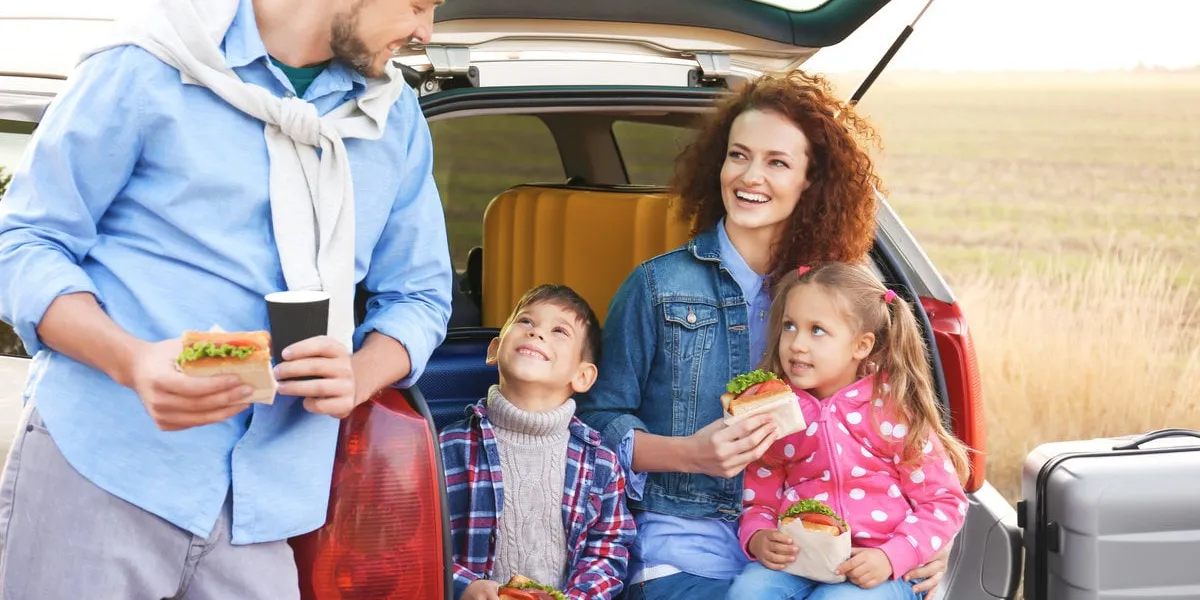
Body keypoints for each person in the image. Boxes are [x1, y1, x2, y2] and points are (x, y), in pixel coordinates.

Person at [0, 0, 452, 598]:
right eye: (419, 5)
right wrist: (130, 361)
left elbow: (420, 296)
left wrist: (361, 372)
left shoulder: (392, 119)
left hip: (266, 512)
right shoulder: (146, 64)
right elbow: (24, 242)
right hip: (106, 467)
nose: (425, 31)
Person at [576, 69, 952, 600]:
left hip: (820, 555)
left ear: (810, 181)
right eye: (738, 155)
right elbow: (594, 425)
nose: (751, 176)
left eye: (777, 162)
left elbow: (901, 439)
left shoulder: (843, 297)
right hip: (686, 544)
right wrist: (691, 454)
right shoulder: (657, 287)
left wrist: (921, 547)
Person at [728, 263, 970, 599]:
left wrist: (893, 555)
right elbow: (759, 494)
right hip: (801, 558)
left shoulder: (892, 410)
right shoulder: (778, 411)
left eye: (817, 330)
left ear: (861, 346)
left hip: (882, 568)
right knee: (749, 591)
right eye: (789, 326)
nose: (797, 344)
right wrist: (758, 536)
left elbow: (943, 501)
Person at [440, 284, 636, 600]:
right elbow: (421, 542)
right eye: (526, 322)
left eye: (559, 330)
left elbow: (608, 550)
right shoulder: (449, 448)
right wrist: (464, 586)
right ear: (494, 349)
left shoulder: (601, 462)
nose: (537, 333)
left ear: (583, 376)